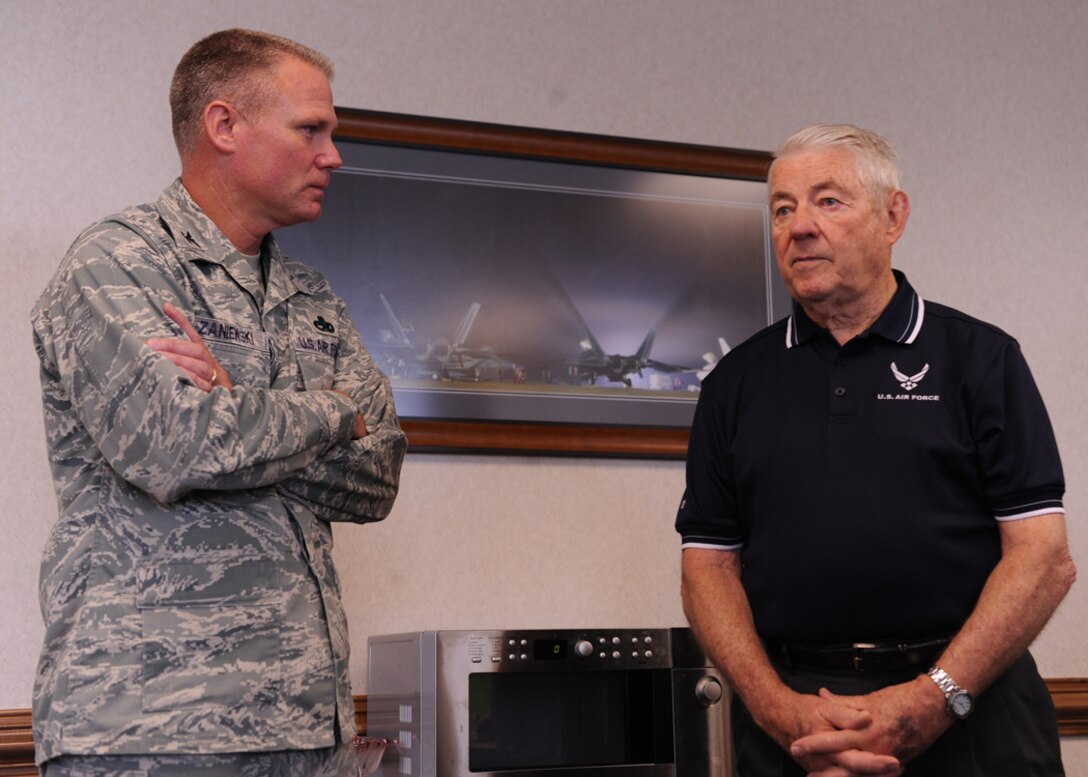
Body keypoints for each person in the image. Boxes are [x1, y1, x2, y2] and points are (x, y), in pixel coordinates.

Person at [31, 29, 407, 776]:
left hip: (306, 727)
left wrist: (241, 410)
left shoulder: (312, 299)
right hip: (147, 728)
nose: (333, 156)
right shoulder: (117, 263)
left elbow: (379, 475)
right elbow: (178, 446)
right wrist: (332, 411)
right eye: (311, 129)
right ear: (224, 125)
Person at [676, 124, 1075, 776]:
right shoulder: (734, 384)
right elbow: (707, 570)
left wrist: (932, 700)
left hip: (973, 714)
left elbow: (1045, 559)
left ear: (894, 216)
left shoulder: (982, 360)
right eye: (783, 208)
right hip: (796, 731)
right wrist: (776, 708)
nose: (799, 226)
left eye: (828, 201)